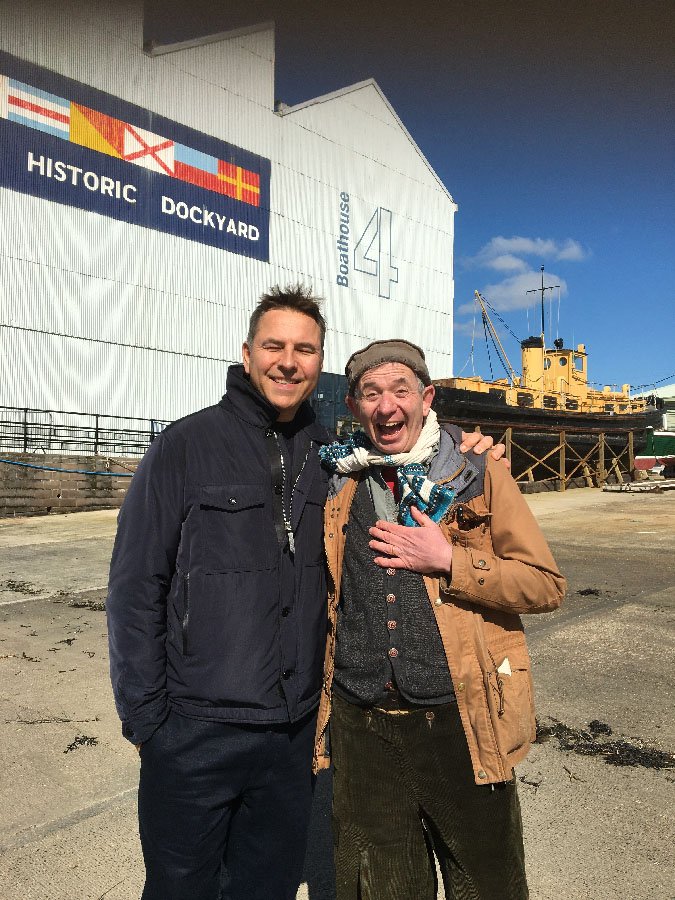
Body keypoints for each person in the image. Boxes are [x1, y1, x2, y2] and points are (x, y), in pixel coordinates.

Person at [106, 288, 501, 900]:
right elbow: (135, 587)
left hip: (292, 737)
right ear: (246, 354)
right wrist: (149, 721)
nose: (288, 361)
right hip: (194, 730)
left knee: (265, 888)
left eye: (305, 349)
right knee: (179, 888)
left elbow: (407, 442)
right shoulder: (183, 447)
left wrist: (467, 445)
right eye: (274, 346)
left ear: (320, 363)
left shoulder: (333, 457)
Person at [314, 338, 567, 900]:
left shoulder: (476, 473)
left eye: (401, 389)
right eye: (371, 393)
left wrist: (451, 560)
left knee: (487, 885)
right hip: (363, 729)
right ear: (354, 407)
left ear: (426, 397)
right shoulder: (338, 479)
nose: (387, 406)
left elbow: (545, 585)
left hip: (461, 719)